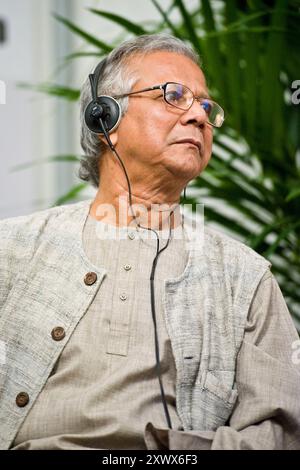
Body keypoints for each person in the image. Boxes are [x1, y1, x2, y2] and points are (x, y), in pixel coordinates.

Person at [0, 33, 299, 450]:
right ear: (105, 120)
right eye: (173, 95)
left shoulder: (246, 279)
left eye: (206, 106)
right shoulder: (11, 251)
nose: (198, 116)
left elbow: (279, 431)